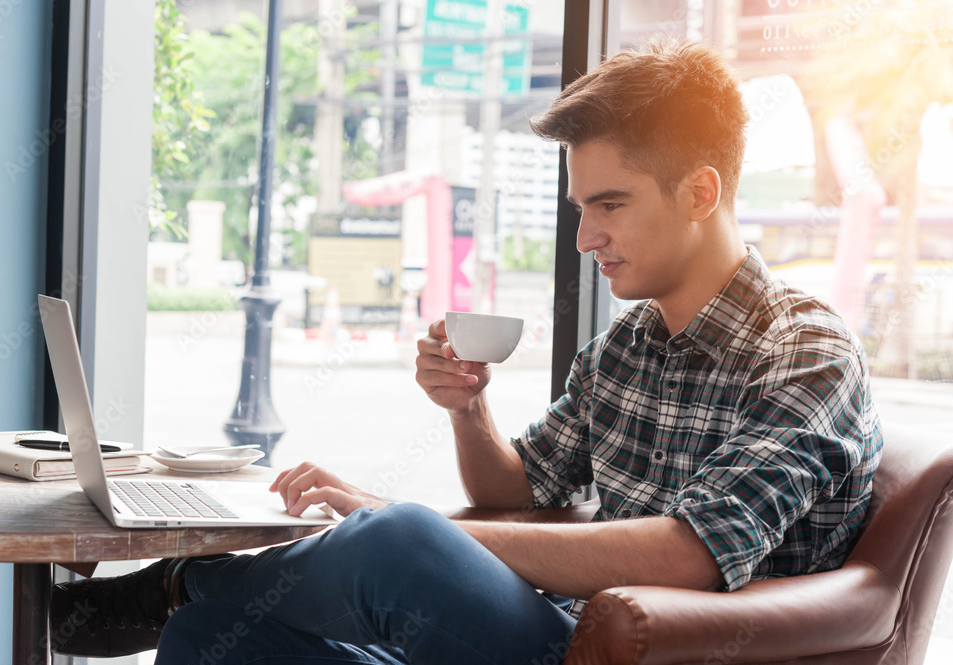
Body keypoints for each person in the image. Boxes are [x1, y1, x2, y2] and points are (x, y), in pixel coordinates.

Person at [50, 40, 882, 663]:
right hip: (552, 629)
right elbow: (516, 485)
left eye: (610, 205)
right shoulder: (628, 345)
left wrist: (413, 531)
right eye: (580, 208)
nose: (588, 236)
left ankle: (174, 583)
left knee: (398, 540)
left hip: (651, 652)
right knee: (216, 640)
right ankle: (186, 599)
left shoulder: (805, 352)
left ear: (701, 191)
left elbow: (689, 552)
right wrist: (468, 405)